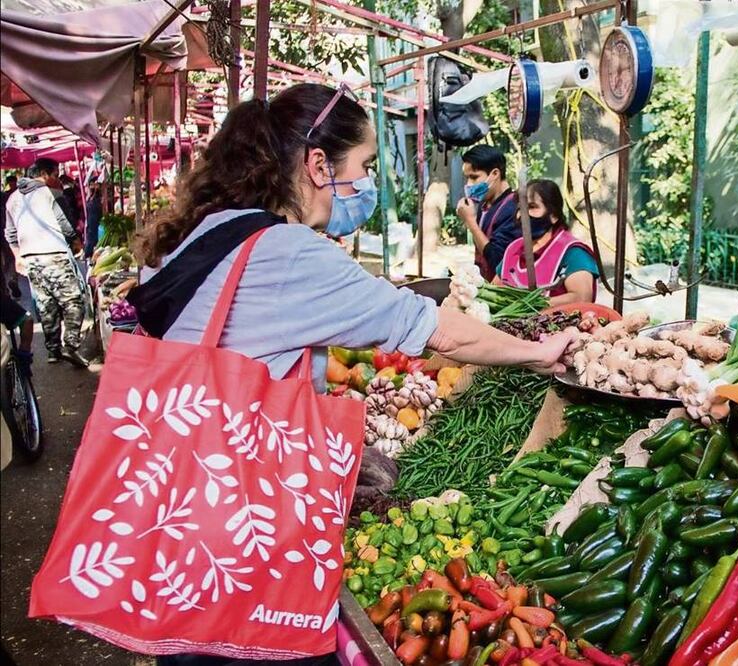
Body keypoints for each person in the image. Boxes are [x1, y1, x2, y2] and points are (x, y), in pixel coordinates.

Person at [130, 84, 573, 665]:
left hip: (181, 512)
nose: (365, 183)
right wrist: (540, 353)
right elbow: (438, 331)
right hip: (242, 538)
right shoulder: (288, 253)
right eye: (362, 166)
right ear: (318, 165)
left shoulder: (213, 228)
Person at [4, 159, 88, 367]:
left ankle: (52, 351)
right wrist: (76, 242)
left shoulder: (12, 199)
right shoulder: (50, 194)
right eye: (55, 174)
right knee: (73, 301)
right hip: (55, 254)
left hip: (31, 258)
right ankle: (70, 344)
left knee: (47, 304)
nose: (57, 179)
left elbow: (10, 233)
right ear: (43, 173)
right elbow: (65, 224)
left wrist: (17, 256)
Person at [493, 179, 599, 305]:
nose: (523, 214)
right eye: (520, 208)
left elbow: (581, 298)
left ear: (553, 215)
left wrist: (530, 307)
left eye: (532, 207)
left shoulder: (574, 253)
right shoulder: (513, 249)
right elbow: (494, 289)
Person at [454, 145, 521, 281]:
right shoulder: (484, 205)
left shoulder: (513, 208)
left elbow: (498, 260)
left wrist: (471, 223)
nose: (469, 184)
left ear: (495, 174)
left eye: (474, 177)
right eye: (467, 178)